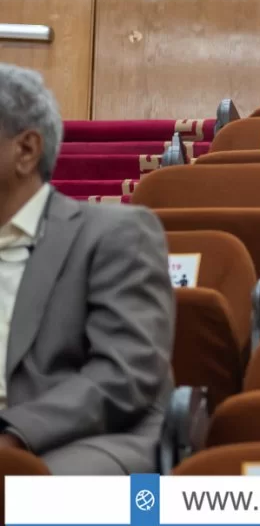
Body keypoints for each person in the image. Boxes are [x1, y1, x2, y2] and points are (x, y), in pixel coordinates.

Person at [0, 65, 173, 474]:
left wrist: (14, 433)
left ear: (26, 150)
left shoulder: (115, 234)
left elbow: (124, 373)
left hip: (77, 439)